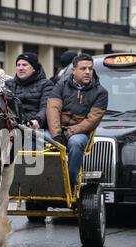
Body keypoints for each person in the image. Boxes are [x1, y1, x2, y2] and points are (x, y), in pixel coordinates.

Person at [46, 53, 108, 189]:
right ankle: (39, 180)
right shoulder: (60, 85)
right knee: (36, 139)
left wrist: (69, 133)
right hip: (56, 130)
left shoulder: (100, 92)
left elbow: (92, 121)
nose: (87, 72)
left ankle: (69, 183)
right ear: (73, 70)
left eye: (90, 69)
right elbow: (52, 109)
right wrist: (56, 135)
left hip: (79, 132)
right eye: (83, 68)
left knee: (75, 143)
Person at [5, 52, 53, 132]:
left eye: (24, 65)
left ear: (34, 68)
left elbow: (45, 107)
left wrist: (37, 120)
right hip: (13, 126)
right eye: (18, 65)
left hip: (38, 127)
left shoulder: (46, 84)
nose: (20, 68)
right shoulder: (9, 84)